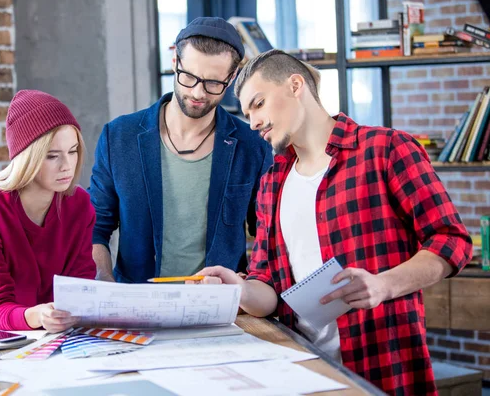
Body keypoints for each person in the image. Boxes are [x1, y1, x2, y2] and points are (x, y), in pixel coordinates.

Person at [193, 50, 472, 396]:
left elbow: (451, 241)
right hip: (305, 372)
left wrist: (383, 285)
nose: (253, 122)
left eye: (259, 104)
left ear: (295, 85)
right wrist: (238, 288)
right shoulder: (272, 183)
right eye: (248, 112)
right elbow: (269, 290)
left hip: (384, 369)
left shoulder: (386, 150)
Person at [90, 17, 272, 283]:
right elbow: (96, 226)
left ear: (231, 77)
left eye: (213, 83)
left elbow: (267, 234)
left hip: (220, 306)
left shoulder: (252, 145)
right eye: (189, 77)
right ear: (175, 61)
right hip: (138, 302)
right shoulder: (119, 137)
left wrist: (252, 284)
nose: (198, 93)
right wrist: (103, 280)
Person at [0, 90, 97, 334]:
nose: (67, 165)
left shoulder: (79, 206)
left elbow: (80, 289)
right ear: (27, 158)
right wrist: (39, 314)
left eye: (73, 151)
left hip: (48, 333)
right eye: (52, 156)